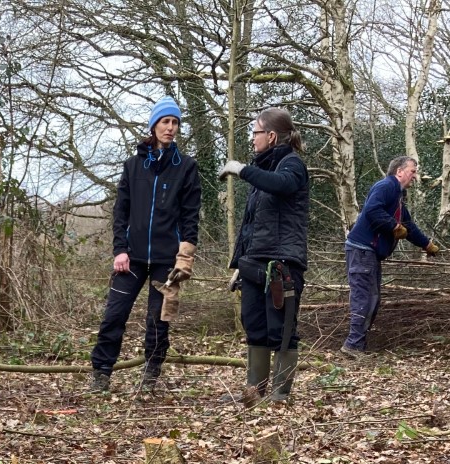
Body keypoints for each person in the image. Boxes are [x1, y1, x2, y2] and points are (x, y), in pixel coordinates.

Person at [88, 96, 202, 394]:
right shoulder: (133, 166)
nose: (171, 127)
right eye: (165, 121)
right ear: (153, 125)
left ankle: (151, 374)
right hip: (133, 257)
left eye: (175, 122)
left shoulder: (186, 167)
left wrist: (185, 257)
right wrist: (120, 250)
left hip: (167, 259)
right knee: (114, 314)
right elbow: (120, 212)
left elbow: (191, 217)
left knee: (157, 320)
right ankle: (101, 373)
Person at [219, 107, 310, 403]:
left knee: (281, 330)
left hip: (282, 265)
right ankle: (254, 391)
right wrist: (239, 265)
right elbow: (251, 226)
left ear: (271, 136)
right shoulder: (262, 174)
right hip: (254, 264)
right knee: (254, 326)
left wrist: (241, 169)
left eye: (256, 132)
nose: (253, 139)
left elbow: (282, 185)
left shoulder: (292, 164)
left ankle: (280, 394)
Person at [341, 155, 441, 357]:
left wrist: (428, 245)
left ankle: (357, 345)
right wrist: (394, 226)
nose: (415, 176)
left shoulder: (397, 197)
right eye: (413, 171)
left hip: (370, 253)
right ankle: (352, 346)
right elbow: (372, 210)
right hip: (361, 250)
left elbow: (409, 227)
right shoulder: (386, 186)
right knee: (364, 298)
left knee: (373, 299)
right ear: (400, 171)